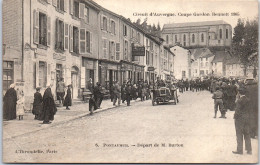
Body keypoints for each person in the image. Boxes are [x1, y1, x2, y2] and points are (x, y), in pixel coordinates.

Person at [232, 87, 252, 155]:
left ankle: (240, 150)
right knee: (247, 134)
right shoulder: (248, 100)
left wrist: (235, 117)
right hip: (247, 118)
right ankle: (249, 150)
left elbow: (237, 110)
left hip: (240, 119)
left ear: (239, 93)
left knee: (239, 134)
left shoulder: (239, 101)